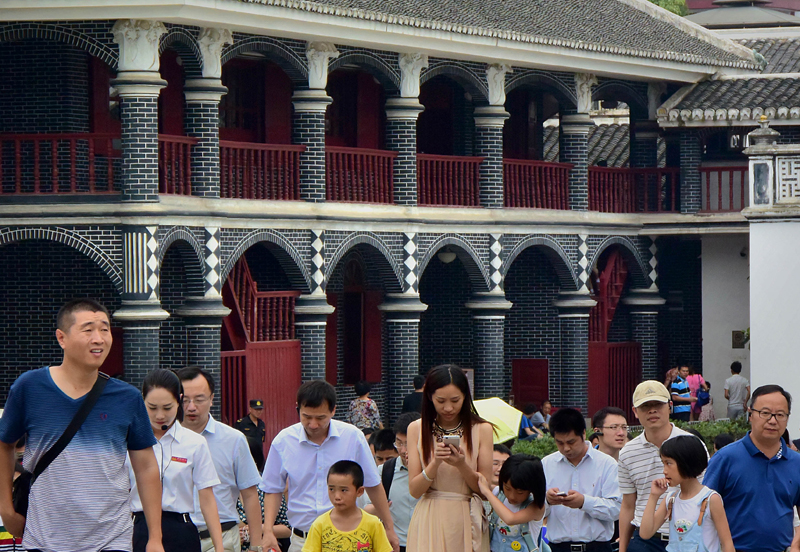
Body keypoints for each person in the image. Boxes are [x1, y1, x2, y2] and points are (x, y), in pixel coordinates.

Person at [0, 299, 165, 552]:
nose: (98, 339)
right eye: (88, 330)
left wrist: (155, 538)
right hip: (45, 539)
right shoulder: (29, 388)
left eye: (105, 329)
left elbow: (146, 468)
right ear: (61, 338)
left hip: (111, 539)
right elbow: (4, 445)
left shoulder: (127, 398)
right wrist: (6, 510)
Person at [260, 380, 399, 552]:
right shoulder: (284, 441)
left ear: (333, 410)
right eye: (306, 417)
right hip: (302, 539)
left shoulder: (352, 437)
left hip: (348, 539)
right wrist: (268, 531)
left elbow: (372, 484)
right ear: (298, 409)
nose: (313, 424)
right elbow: (273, 489)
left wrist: (389, 527)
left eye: (320, 418)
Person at [129, 369, 224, 552]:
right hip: (139, 529)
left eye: (167, 408)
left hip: (181, 530)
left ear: (179, 401)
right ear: (142, 401)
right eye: (152, 407)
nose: (160, 416)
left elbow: (207, 498)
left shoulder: (194, 443)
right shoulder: (130, 442)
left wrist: (219, 547)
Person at [406, 364, 493, 552]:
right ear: (430, 397)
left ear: (465, 397)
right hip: (430, 517)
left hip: (466, 516)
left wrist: (462, 465)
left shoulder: (482, 429)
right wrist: (435, 463)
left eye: (455, 400)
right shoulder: (416, 429)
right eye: (440, 400)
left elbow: (484, 490)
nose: (448, 408)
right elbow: (414, 490)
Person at [703, 384, 800, 552]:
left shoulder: (796, 462)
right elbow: (704, 509)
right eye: (765, 413)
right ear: (750, 414)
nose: (773, 420)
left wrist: (796, 545)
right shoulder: (725, 458)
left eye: (780, 415)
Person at [177, 366, 263, 552]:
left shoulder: (233, 439)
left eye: (199, 399)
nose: (191, 407)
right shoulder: (163, 440)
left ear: (212, 399)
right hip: (176, 537)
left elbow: (249, 494)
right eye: (185, 400)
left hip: (223, 538)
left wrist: (256, 545)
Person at [618, 380, 701, 552]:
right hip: (645, 540)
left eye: (658, 404)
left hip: (687, 537)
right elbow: (628, 505)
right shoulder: (627, 452)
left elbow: (703, 494)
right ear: (635, 411)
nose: (652, 410)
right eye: (645, 406)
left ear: (670, 406)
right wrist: (622, 548)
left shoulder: (692, 444)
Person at [542, 408, 621, 552]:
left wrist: (584, 502)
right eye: (560, 443)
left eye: (571, 442)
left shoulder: (607, 464)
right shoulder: (546, 464)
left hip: (597, 547)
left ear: (583, 433)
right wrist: (547, 500)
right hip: (558, 548)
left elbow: (617, 509)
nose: (566, 448)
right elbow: (533, 510)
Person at [639, 436, 734, 552]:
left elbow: (727, 544)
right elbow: (645, 533)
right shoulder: (671, 499)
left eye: (669, 463)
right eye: (663, 463)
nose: (664, 471)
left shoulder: (710, 499)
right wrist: (653, 496)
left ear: (686, 462)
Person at [359, 412, 422, 552]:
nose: (403, 450)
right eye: (399, 443)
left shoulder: (433, 470)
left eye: (409, 443)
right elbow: (366, 509)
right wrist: (381, 508)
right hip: (396, 545)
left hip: (427, 543)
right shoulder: (385, 470)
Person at [302, 461, 392, 552]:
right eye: (331, 489)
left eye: (344, 490)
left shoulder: (373, 524)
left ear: (359, 491)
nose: (337, 496)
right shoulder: (319, 524)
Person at [477, 454, 546, 552]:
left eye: (520, 492)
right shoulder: (499, 494)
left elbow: (510, 519)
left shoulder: (536, 507)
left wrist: (487, 492)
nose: (511, 496)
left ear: (533, 488)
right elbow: (477, 484)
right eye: (507, 488)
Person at [235, 399, 266, 472]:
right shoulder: (241, 423)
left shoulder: (261, 424)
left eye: (260, 410)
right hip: (246, 459)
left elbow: (261, 441)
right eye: (256, 409)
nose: (258, 412)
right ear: (250, 409)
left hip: (259, 460)